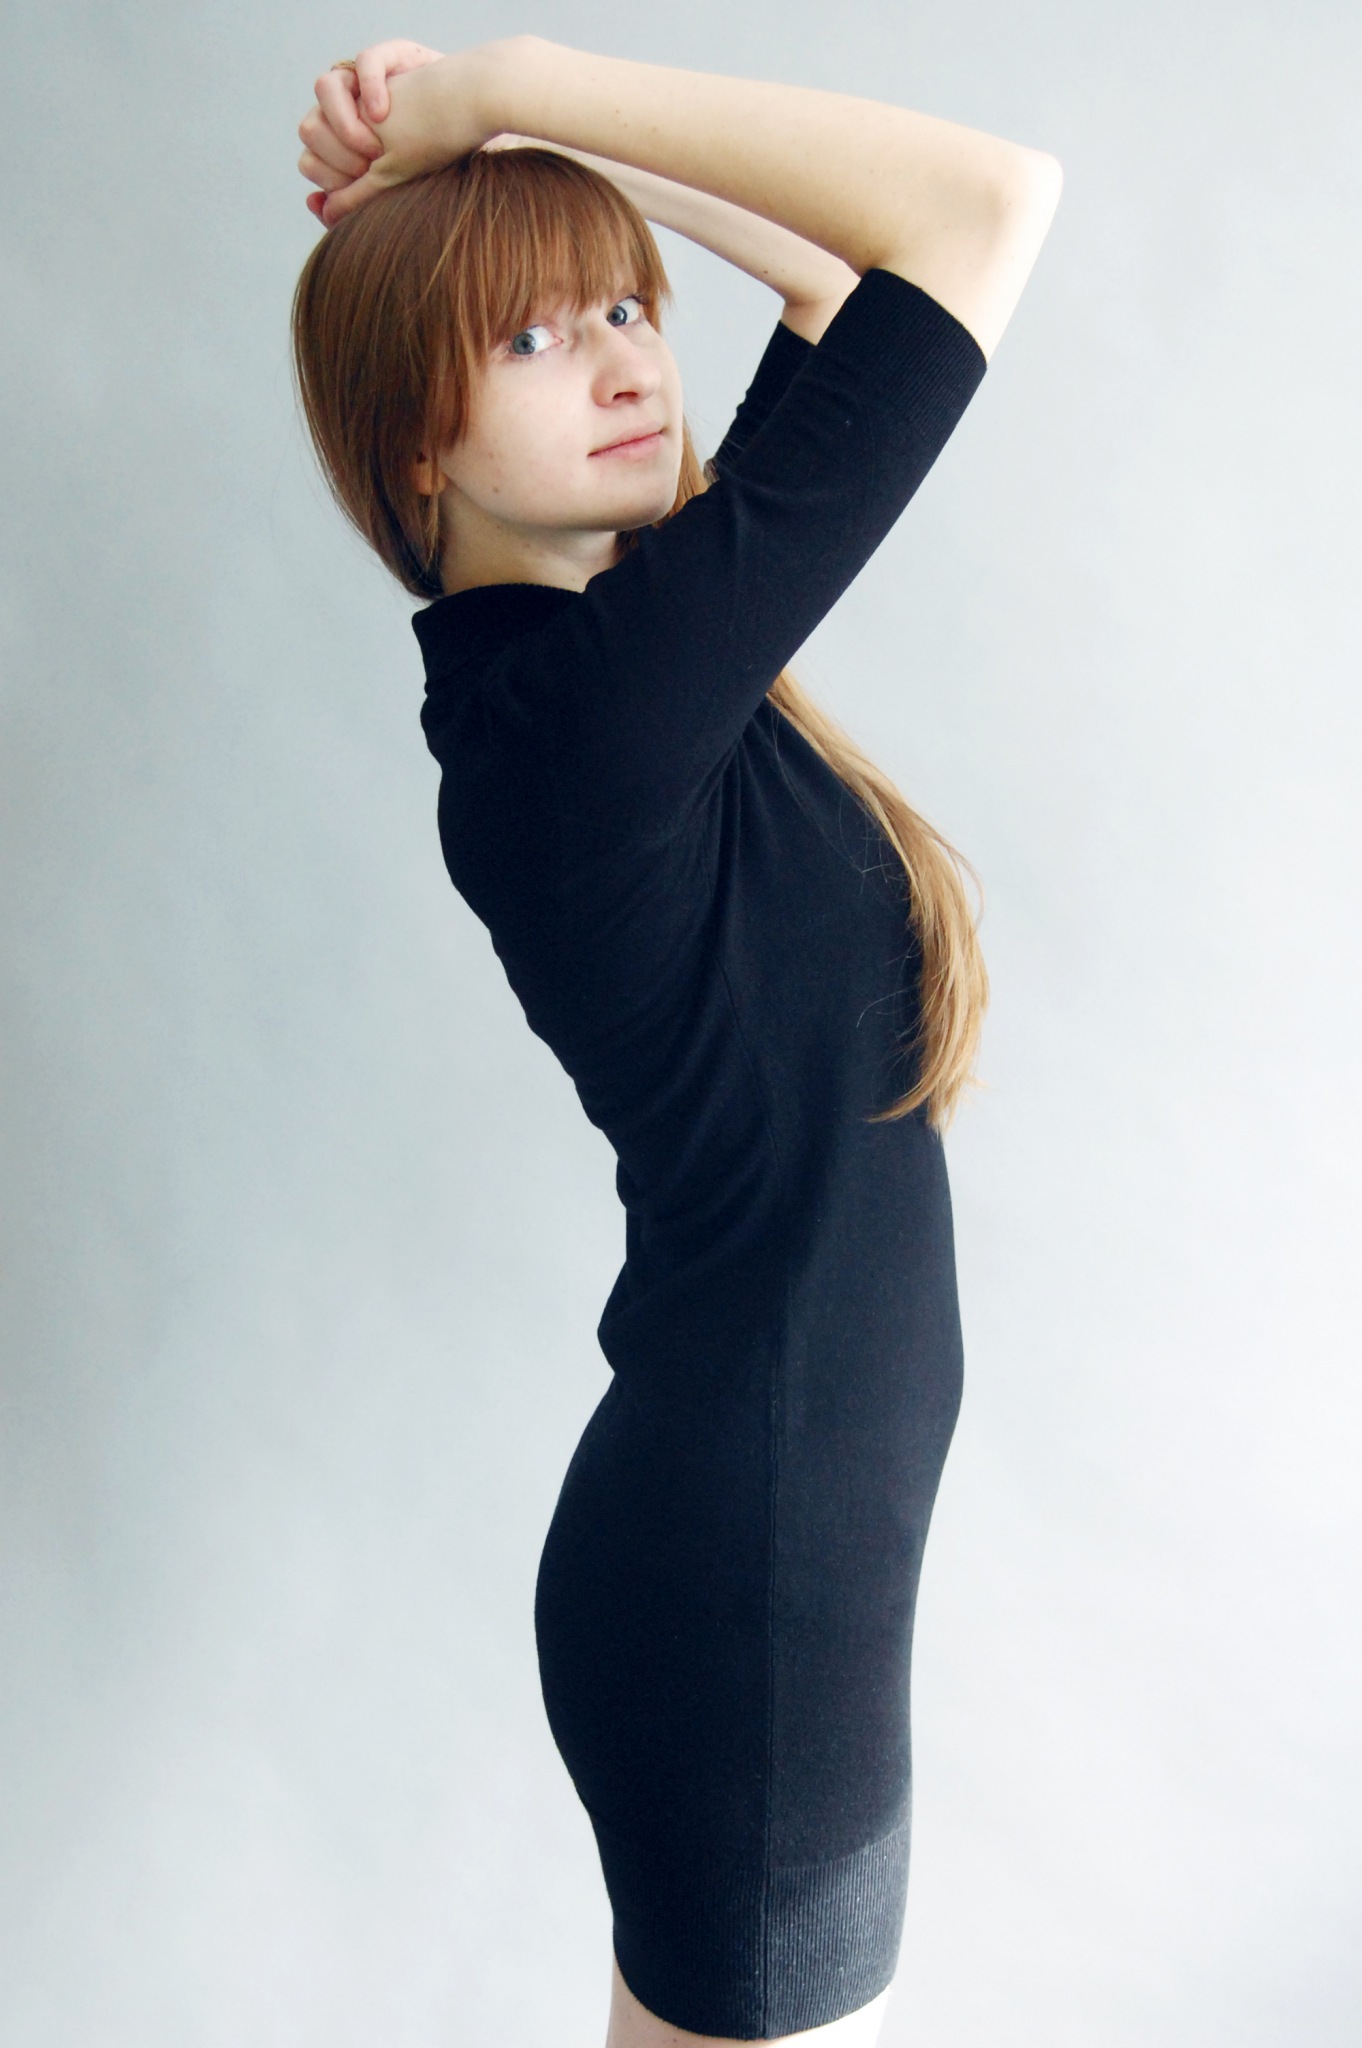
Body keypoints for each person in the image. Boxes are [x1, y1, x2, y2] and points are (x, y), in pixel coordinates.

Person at [292, 34, 1061, 2046]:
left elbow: (828, 285)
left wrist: (521, 159)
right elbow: (976, 211)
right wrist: (509, 85)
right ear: (418, 450)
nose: (632, 361)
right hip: (753, 1600)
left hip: (758, 1565)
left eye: (629, 306)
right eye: (536, 339)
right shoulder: (591, 723)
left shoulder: (605, 666)